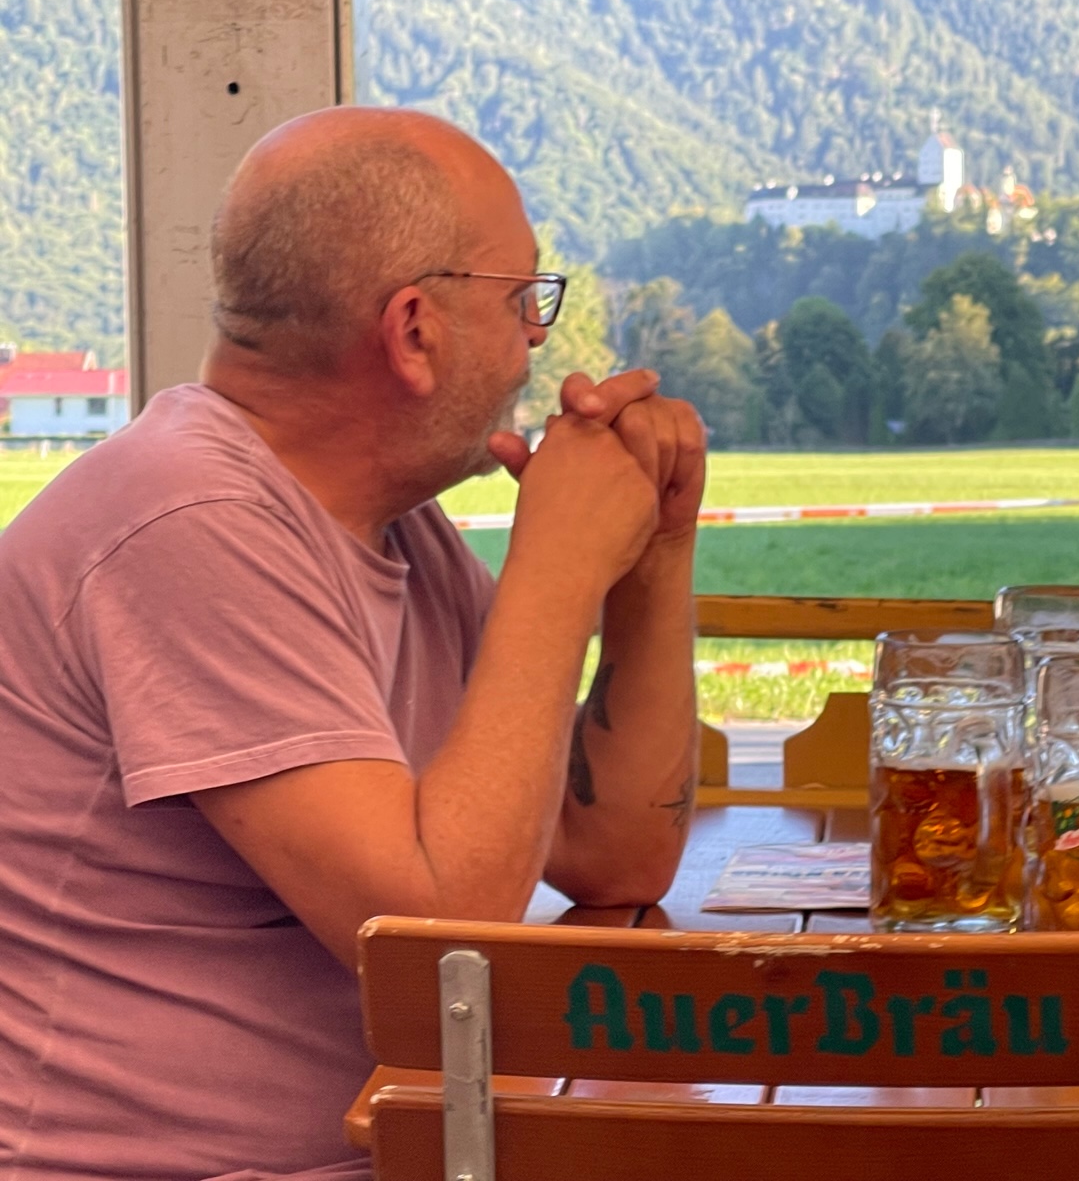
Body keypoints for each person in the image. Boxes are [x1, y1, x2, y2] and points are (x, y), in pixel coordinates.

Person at [0, 107, 703, 1180]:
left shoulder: (391, 528)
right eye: (522, 298)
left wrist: (653, 557)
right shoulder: (188, 521)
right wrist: (557, 569)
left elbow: (614, 857)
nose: (536, 339)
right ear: (413, 331)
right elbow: (442, 957)